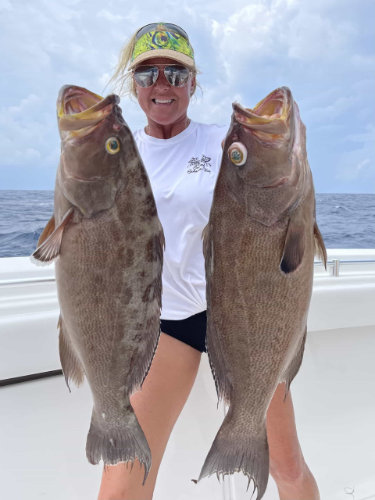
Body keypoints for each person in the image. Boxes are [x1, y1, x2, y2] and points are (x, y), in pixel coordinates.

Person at [98, 22, 320, 500]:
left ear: (193, 83)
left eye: (176, 74)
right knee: (121, 487)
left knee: (287, 466)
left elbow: (275, 194)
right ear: (133, 85)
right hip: (169, 323)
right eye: (148, 73)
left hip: (244, 320)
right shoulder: (117, 157)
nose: (162, 84)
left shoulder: (226, 145)